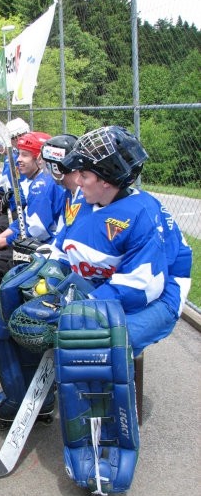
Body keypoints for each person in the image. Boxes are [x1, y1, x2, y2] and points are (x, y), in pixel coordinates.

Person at [55, 125, 192, 357]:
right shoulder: (85, 200)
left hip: (159, 296)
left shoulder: (142, 214)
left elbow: (141, 289)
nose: (77, 181)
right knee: (52, 321)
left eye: (85, 175)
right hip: (105, 282)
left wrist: (86, 304)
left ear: (106, 181)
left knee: (96, 344)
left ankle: (109, 392)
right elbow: (61, 248)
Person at [0, 131, 65, 330]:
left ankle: (9, 327)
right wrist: (0, 237)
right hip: (37, 244)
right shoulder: (36, 179)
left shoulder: (43, 184)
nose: (18, 159)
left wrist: (3, 241)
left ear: (39, 158)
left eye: (24, 155)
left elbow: (36, 230)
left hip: (45, 250)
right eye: (18, 154)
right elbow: (23, 220)